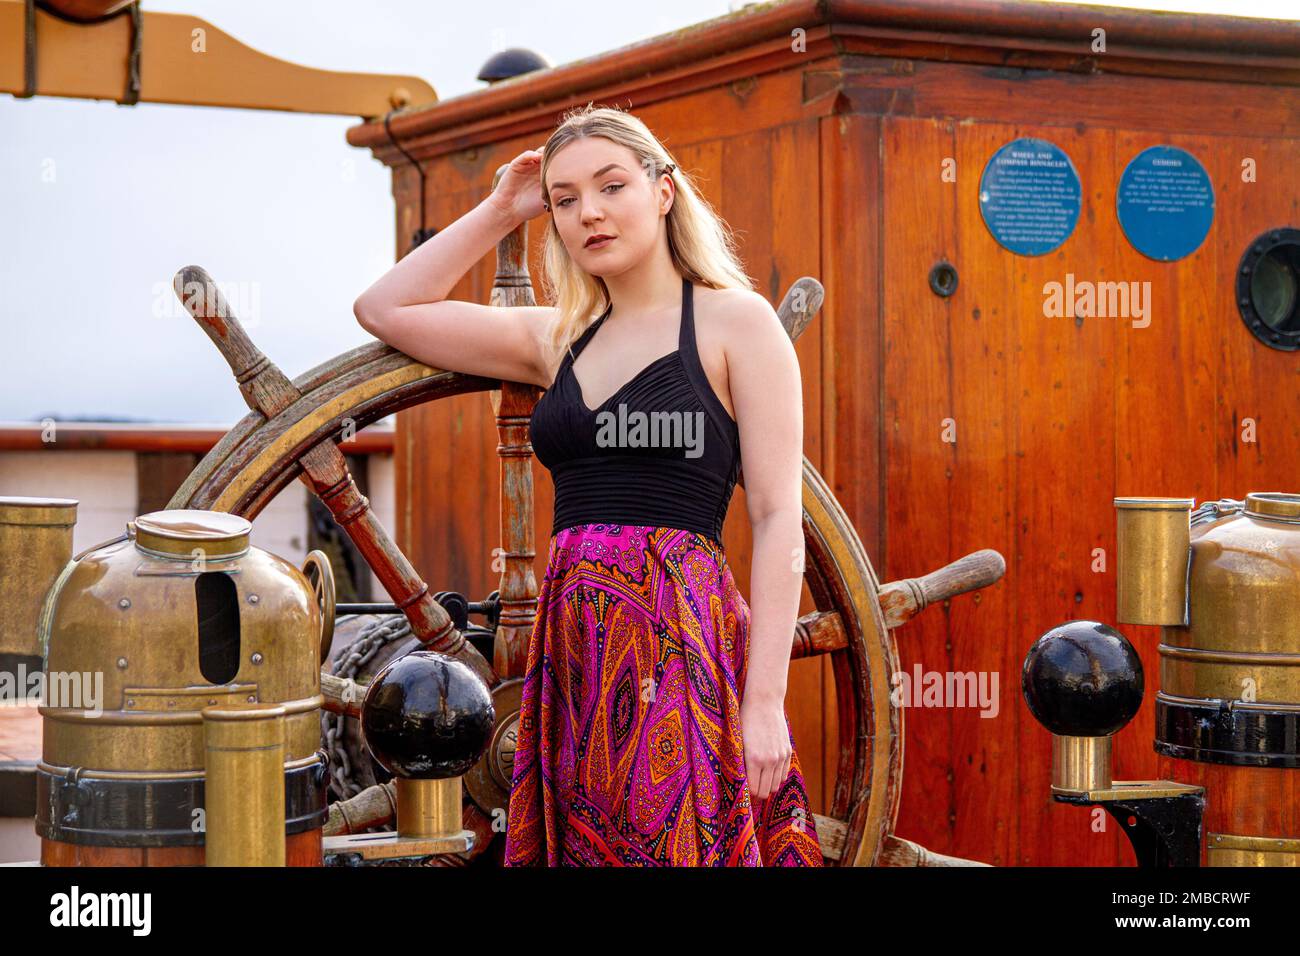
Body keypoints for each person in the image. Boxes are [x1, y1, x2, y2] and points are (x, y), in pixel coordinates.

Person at [353, 103, 821, 866]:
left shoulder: (739, 323)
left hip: (680, 639)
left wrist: (765, 699)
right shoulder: (556, 338)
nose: (589, 214)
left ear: (664, 191)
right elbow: (384, 309)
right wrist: (502, 208)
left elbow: (777, 519)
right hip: (573, 652)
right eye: (566, 200)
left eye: (611, 187)